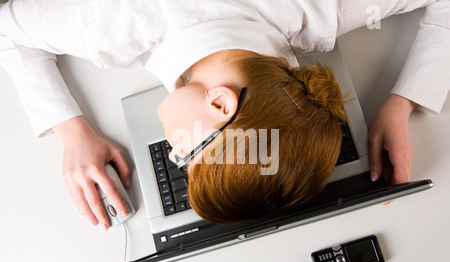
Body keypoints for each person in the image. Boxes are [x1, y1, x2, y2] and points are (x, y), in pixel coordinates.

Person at [0, 1, 449, 227]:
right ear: (219, 104)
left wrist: (401, 102)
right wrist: (68, 128)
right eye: (187, 154)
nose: (174, 152)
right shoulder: (106, 23)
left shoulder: (321, 8)